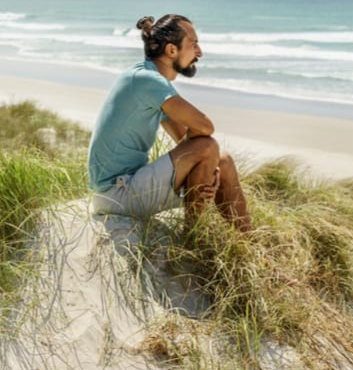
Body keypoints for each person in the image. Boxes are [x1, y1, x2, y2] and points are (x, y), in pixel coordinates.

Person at [88, 14, 251, 232]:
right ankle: (193, 237)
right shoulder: (148, 80)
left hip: (127, 187)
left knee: (224, 160)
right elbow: (205, 128)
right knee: (207, 145)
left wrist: (210, 170)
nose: (199, 52)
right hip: (116, 194)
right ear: (172, 50)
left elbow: (184, 139)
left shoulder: (146, 78)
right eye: (194, 45)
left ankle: (248, 239)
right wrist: (206, 161)